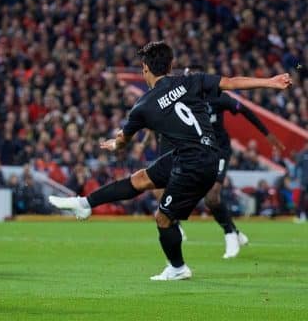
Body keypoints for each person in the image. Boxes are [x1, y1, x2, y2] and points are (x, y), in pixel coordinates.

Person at [50, 41, 291, 281]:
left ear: (145, 69)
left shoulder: (143, 106)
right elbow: (231, 81)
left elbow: (123, 141)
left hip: (194, 164)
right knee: (141, 179)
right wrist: (270, 82)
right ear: (171, 65)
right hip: (200, 155)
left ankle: (178, 268)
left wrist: (114, 144)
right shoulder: (190, 81)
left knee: (163, 218)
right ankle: (85, 204)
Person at [148, 64, 285, 258]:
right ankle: (180, 225)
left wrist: (267, 134)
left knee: (212, 196)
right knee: (158, 189)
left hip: (218, 150)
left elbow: (244, 110)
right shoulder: (181, 98)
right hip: (195, 152)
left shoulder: (218, 97)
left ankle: (230, 234)